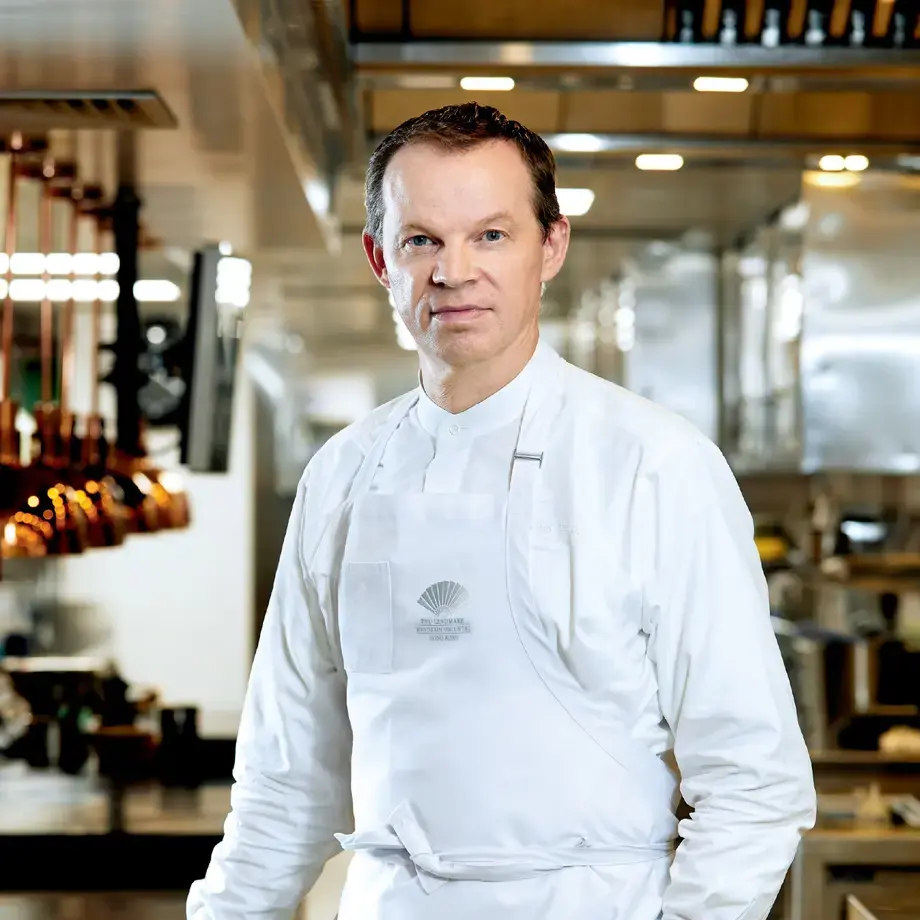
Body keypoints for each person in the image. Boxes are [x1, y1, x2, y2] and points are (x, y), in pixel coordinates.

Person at [187, 102, 816, 920]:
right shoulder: (341, 476)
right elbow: (284, 781)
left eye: (490, 235)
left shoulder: (654, 465)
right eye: (422, 240)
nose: (454, 272)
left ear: (550, 246)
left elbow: (753, 782)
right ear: (380, 257)